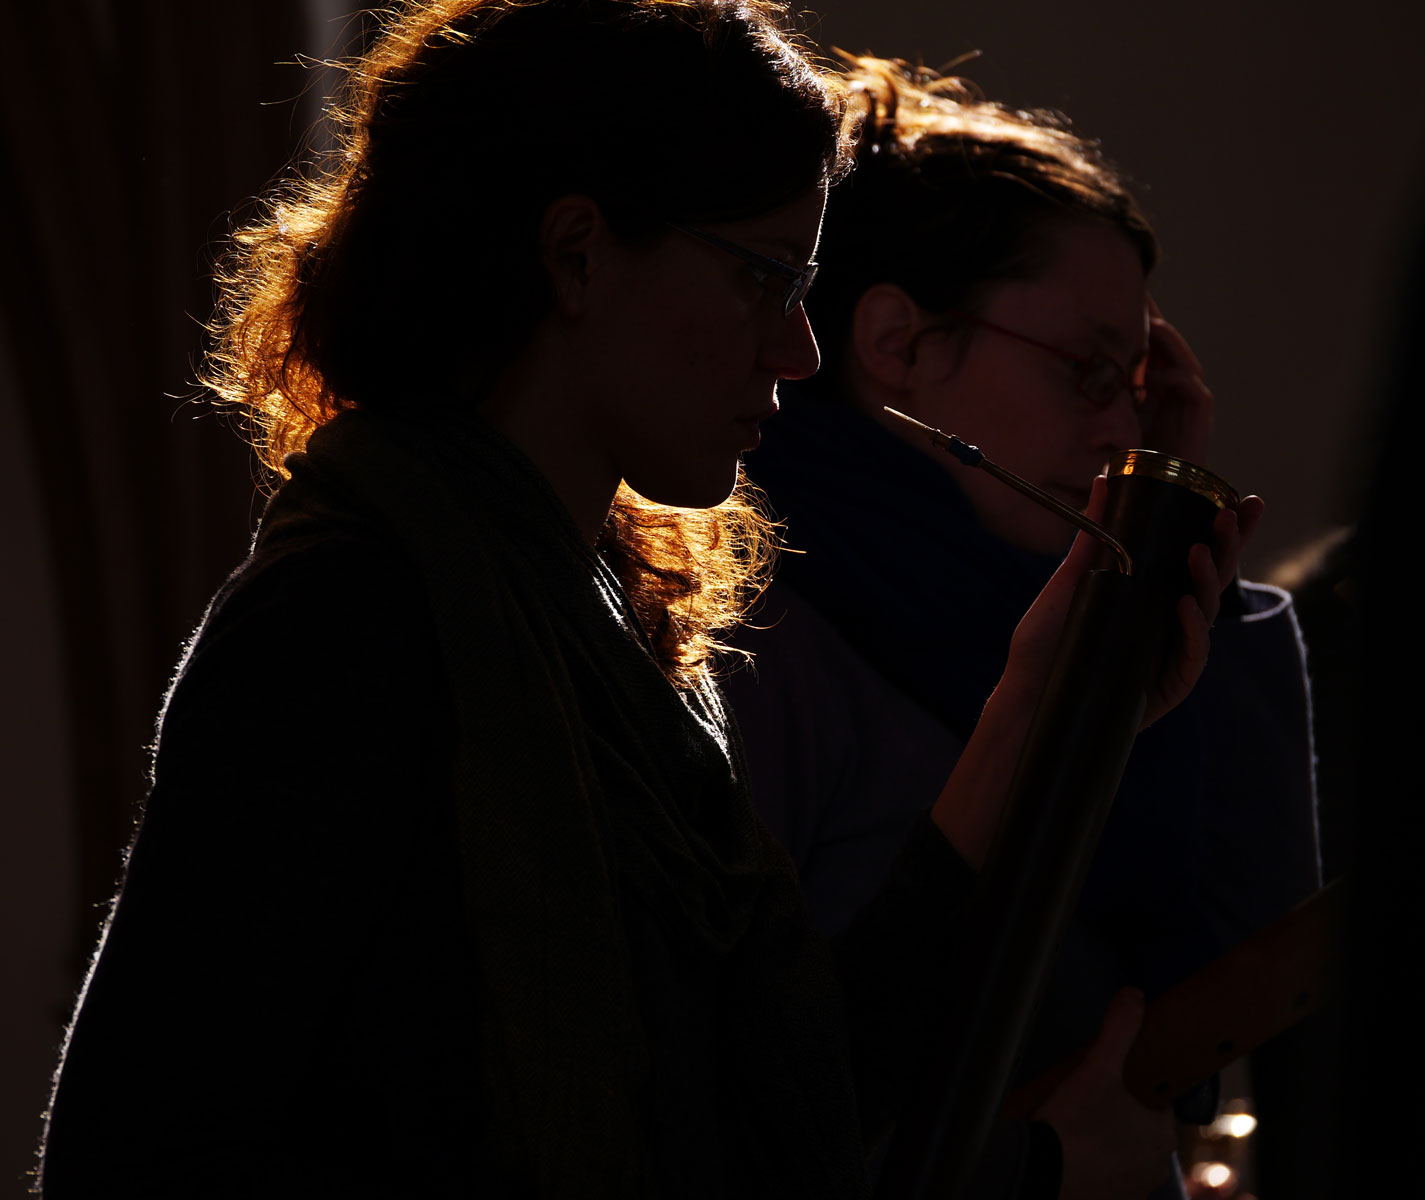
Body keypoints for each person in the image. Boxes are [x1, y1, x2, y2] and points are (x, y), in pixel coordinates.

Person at [35, 5, 1252, 1197]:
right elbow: (141, 1154)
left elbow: (791, 1093)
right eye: (768, 277)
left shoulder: (596, 628)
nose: (800, 352)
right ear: (577, 256)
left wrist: (1034, 706)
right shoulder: (348, 619)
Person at [724, 55, 1320, 1193]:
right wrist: (1038, 1172)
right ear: (894, 345)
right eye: (1091, 370)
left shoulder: (1044, 620)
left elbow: (1229, 995)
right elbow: (755, 1110)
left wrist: (1180, 558)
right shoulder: (764, 630)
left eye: (1139, 383)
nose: (1121, 426)